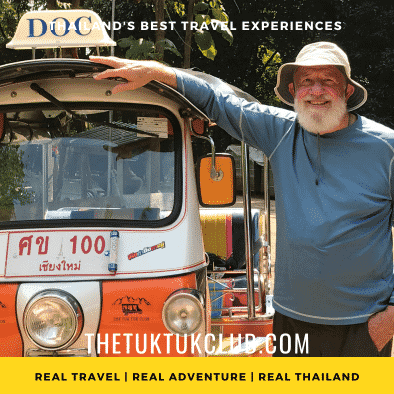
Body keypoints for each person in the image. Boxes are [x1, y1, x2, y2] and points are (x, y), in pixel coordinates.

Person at [91, 41, 394, 357]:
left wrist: (387, 321)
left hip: (364, 327)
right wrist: (158, 71)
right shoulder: (280, 131)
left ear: (347, 90)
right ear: (293, 91)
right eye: (307, 81)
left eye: (328, 81)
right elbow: (217, 101)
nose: (316, 91)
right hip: (292, 323)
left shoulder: (385, 149)